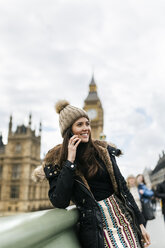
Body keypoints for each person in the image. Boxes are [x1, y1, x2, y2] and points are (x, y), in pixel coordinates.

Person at [33, 100, 151, 248]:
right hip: (97, 228)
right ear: (68, 130)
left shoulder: (102, 151)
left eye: (87, 123)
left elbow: (122, 188)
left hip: (124, 221)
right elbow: (59, 201)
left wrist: (140, 223)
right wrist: (70, 162)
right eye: (79, 124)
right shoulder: (57, 161)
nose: (86, 128)